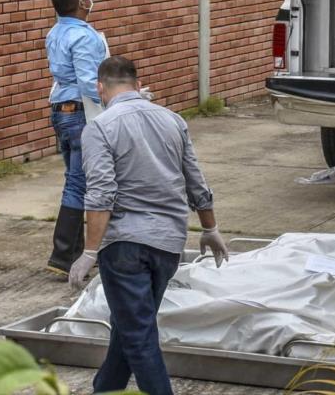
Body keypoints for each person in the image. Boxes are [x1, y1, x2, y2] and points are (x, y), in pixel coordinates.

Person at [70, 56, 228, 395]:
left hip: (125, 246)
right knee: (129, 327)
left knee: (138, 335)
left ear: (100, 88)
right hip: (168, 244)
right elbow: (195, 180)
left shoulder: (99, 127)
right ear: (138, 85)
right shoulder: (173, 120)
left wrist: (88, 251)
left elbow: (101, 194)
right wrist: (210, 228)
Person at [45, 0, 106, 281]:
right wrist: (112, 99)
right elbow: (86, 80)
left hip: (61, 110)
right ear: (81, 4)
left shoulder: (55, 32)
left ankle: (76, 252)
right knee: (80, 182)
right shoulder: (83, 36)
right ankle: (64, 254)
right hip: (80, 111)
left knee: (75, 178)